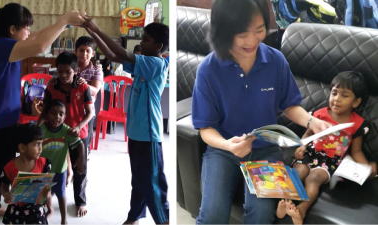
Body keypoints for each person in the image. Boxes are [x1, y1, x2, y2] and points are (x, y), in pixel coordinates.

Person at [190, 0, 332, 223]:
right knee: (212, 215)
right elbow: (205, 128)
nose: (252, 40)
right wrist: (228, 145)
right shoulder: (209, 69)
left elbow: (290, 105)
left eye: (259, 30)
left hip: (265, 151)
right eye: (242, 33)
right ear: (223, 32)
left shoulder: (275, 61)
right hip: (223, 152)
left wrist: (311, 121)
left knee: (262, 215)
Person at [0, 3, 86, 223]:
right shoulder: (0, 47)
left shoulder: (1, 44)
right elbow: (40, 44)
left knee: (0, 169)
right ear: (11, 29)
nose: (28, 33)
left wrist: (63, 26)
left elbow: (37, 36)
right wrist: (64, 19)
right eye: (25, 28)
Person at [81, 17, 170, 224]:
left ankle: (164, 220)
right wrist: (93, 33)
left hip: (149, 135)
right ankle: (133, 218)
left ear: (158, 46)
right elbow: (113, 55)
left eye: (146, 40)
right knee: (139, 180)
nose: (142, 43)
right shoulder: (144, 63)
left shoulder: (155, 63)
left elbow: (121, 53)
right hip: (136, 134)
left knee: (153, 184)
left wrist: (96, 27)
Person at [278, 71, 378, 224]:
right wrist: (302, 146)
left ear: (356, 102)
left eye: (344, 95)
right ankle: (284, 203)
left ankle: (302, 210)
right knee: (299, 172)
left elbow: (356, 151)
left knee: (314, 179)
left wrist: (365, 167)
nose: (337, 99)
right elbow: (307, 134)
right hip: (310, 154)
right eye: (334, 93)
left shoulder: (357, 124)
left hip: (329, 162)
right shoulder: (319, 115)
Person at [39, 51, 94, 218]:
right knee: (51, 165)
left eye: (68, 72)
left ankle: (80, 201)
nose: (63, 75)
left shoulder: (83, 86)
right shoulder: (51, 86)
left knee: (80, 169)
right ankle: (51, 193)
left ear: (76, 71)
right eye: (59, 71)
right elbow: (45, 110)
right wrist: (36, 128)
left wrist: (78, 127)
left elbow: (90, 112)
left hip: (78, 134)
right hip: (56, 132)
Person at [39, 100, 85, 224]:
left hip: (60, 170)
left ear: (65, 117)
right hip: (44, 171)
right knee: (46, 193)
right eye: (53, 113)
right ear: (47, 114)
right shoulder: (41, 130)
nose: (57, 117)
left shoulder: (66, 131)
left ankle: (64, 220)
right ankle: (50, 210)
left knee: (61, 194)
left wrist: (82, 157)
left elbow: (80, 143)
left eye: (61, 114)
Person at [0, 123, 52, 224]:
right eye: (36, 144)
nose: (41, 148)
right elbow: (4, 187)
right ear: (22, 148)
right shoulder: (9, 168)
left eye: (41, 143)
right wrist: (6, 195)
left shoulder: (43, 163)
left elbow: (46, 185)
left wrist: (47, 192)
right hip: (16, 210)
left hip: (36, 210)